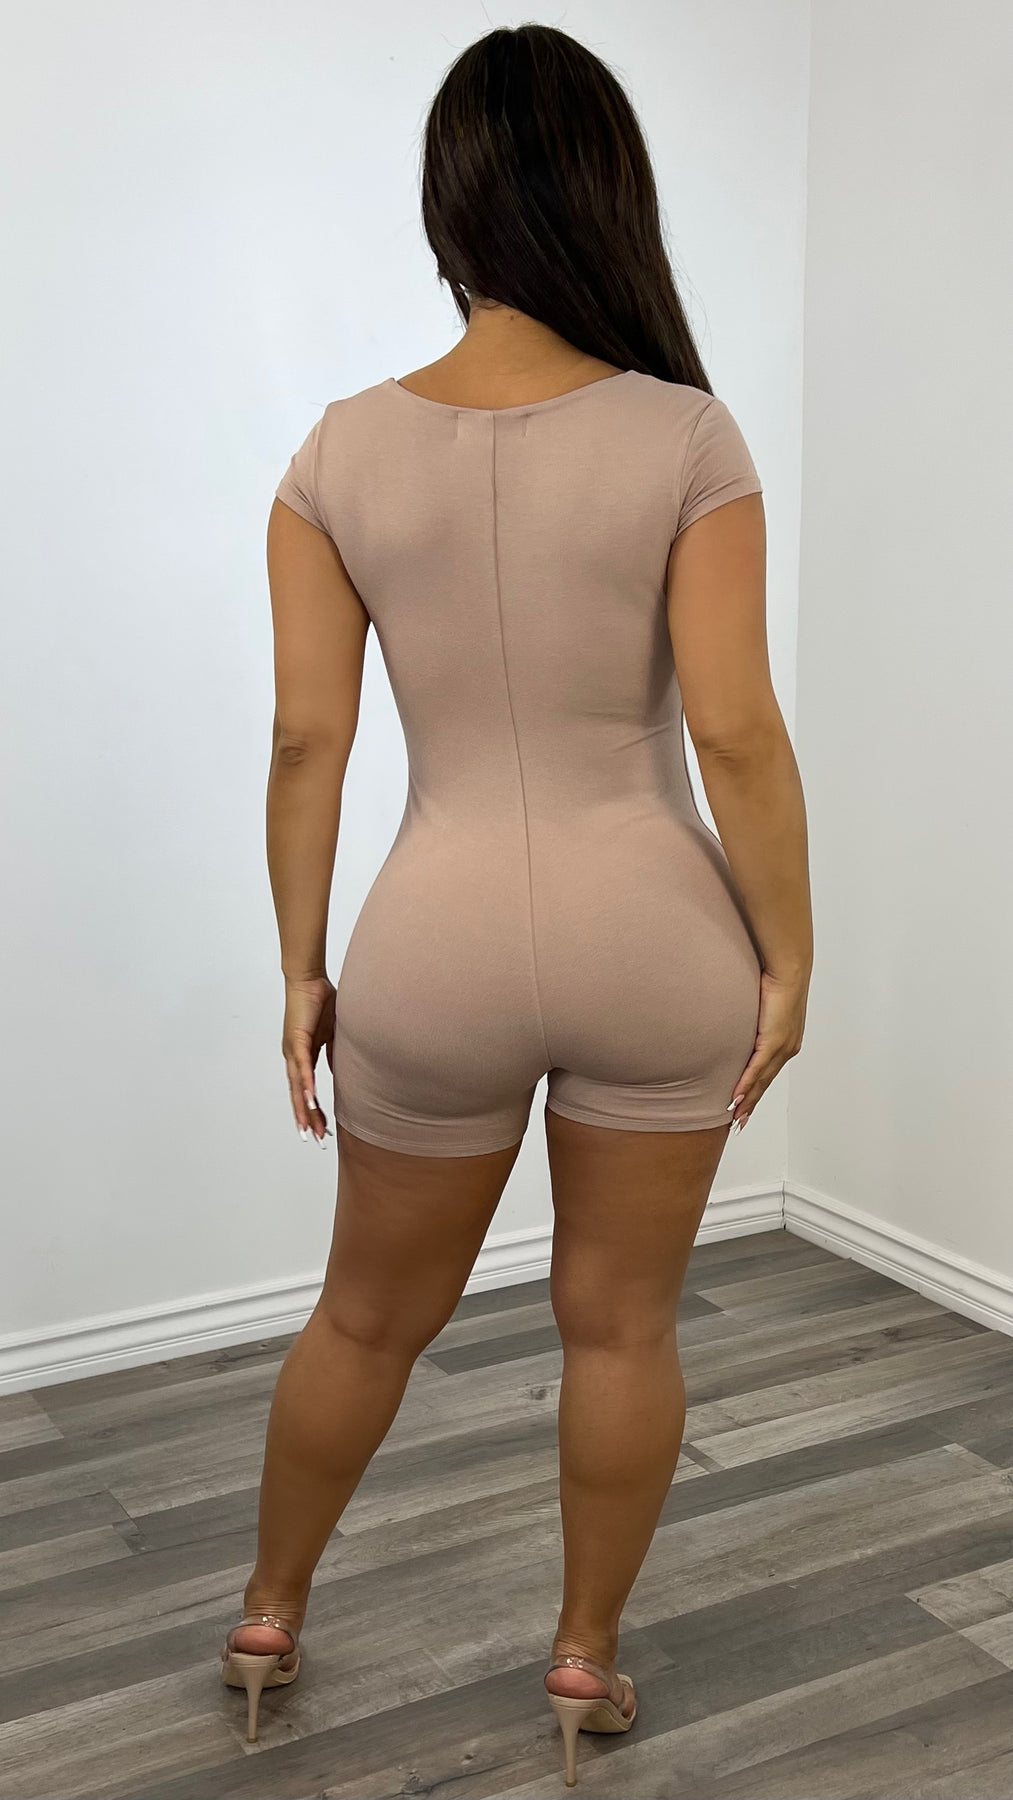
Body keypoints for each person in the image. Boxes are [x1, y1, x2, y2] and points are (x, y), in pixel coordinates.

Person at [219, 21, 813, 1786]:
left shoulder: (337, 454)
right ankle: (580, 1664)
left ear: (448, 206)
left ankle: (266, 1617)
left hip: (435, 941)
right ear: (611, 196)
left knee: (361, 1317)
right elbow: (734, 730)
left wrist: (300, 969)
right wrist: (790, 957)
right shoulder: (686, 436)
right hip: (657, 935)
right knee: (619, 1324)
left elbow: (307, 738)